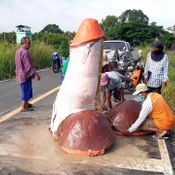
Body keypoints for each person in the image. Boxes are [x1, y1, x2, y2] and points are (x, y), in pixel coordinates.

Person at [15, 37, 40, 112]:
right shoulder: (25, 52)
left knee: (26, 89)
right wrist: (36, 74)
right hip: (25, 75)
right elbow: (28, 66)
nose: (30, 45)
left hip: (20, 74)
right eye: (28, 43)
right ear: (24, 43)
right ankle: (23, 106)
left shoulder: (18, 51)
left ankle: (26, 104)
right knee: (26, 90)